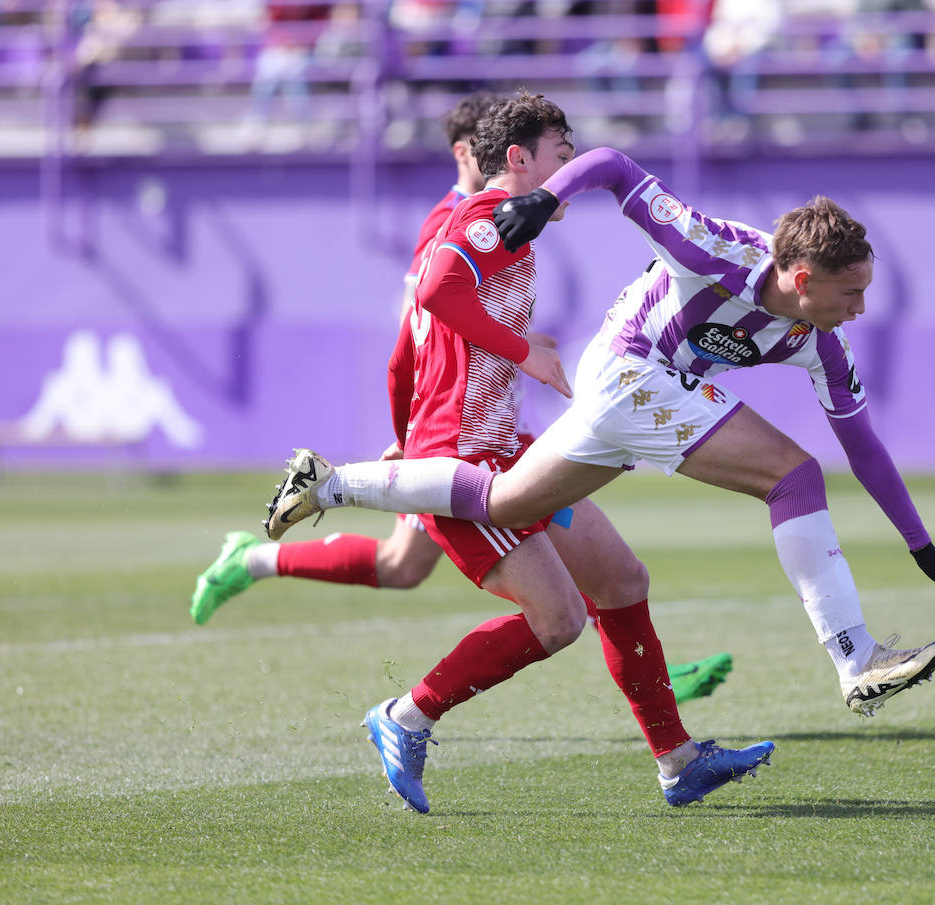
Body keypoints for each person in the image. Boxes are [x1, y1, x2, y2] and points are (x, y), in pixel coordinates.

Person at [265, 146, 935, 718]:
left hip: (641, 395)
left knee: (506, 502)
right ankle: (854, 657)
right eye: (851, 293)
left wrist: (922, 545)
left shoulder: (822, 343)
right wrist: (547, 196)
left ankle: (331, 482)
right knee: (793, 476)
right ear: (803, 276)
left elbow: (865, 446)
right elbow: (613, 165)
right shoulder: (715, 249)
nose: (861, 308)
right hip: (627, 366)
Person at [264, 93, 774, 812]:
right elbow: (439, 293)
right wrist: (518, 355)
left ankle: (678, 760)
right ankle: (405, 715)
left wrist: (408, 422)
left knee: (623, 580)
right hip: (466, 459)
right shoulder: (484, 220)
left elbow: (406, 350)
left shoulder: (499, 229)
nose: (567, 176)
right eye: (561, 158)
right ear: (519, 158)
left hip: (505, 445)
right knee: (558, 619)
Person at [191, 92, 733, 706]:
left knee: (585, 574)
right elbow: (418, 331)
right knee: (417, 569)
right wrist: (412, 428)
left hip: (493, 430)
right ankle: (258, 562)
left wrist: (515, 343)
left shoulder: (505, 218)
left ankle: (657, 684)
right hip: (453, 433)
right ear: (485, 153)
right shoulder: (461, 223)